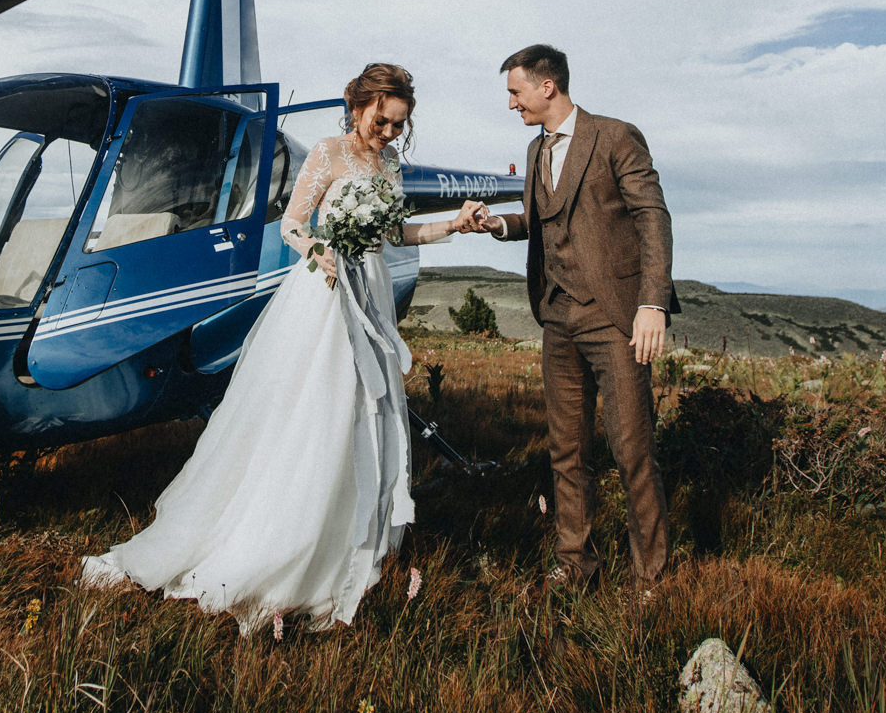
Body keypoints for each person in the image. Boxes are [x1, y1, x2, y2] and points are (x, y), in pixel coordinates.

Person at [80, 63, 485, 633]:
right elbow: (292, 224)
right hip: (324, 293)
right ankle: (284, 539)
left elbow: (399, 234)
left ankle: (346, 534)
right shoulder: (327, 153)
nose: (388, 133)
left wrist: (454, 226)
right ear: (358, 104)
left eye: (398, 125)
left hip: (368, 290)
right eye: (382, 120)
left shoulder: (390, 165)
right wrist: (319, 252)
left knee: (359, 412)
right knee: (313, 410)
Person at [462, 44, 675, 595]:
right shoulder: (536, 152)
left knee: (631, 449)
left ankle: (650, 575)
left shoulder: (615, 136)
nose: (512, 104)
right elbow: (538, 220)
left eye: (515, 92)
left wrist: (652, 304)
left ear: (546, 86)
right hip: (556, 319)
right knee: (566, 449)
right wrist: (497, 225)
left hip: (614, 319)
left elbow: (653, 218)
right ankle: (575, 562)